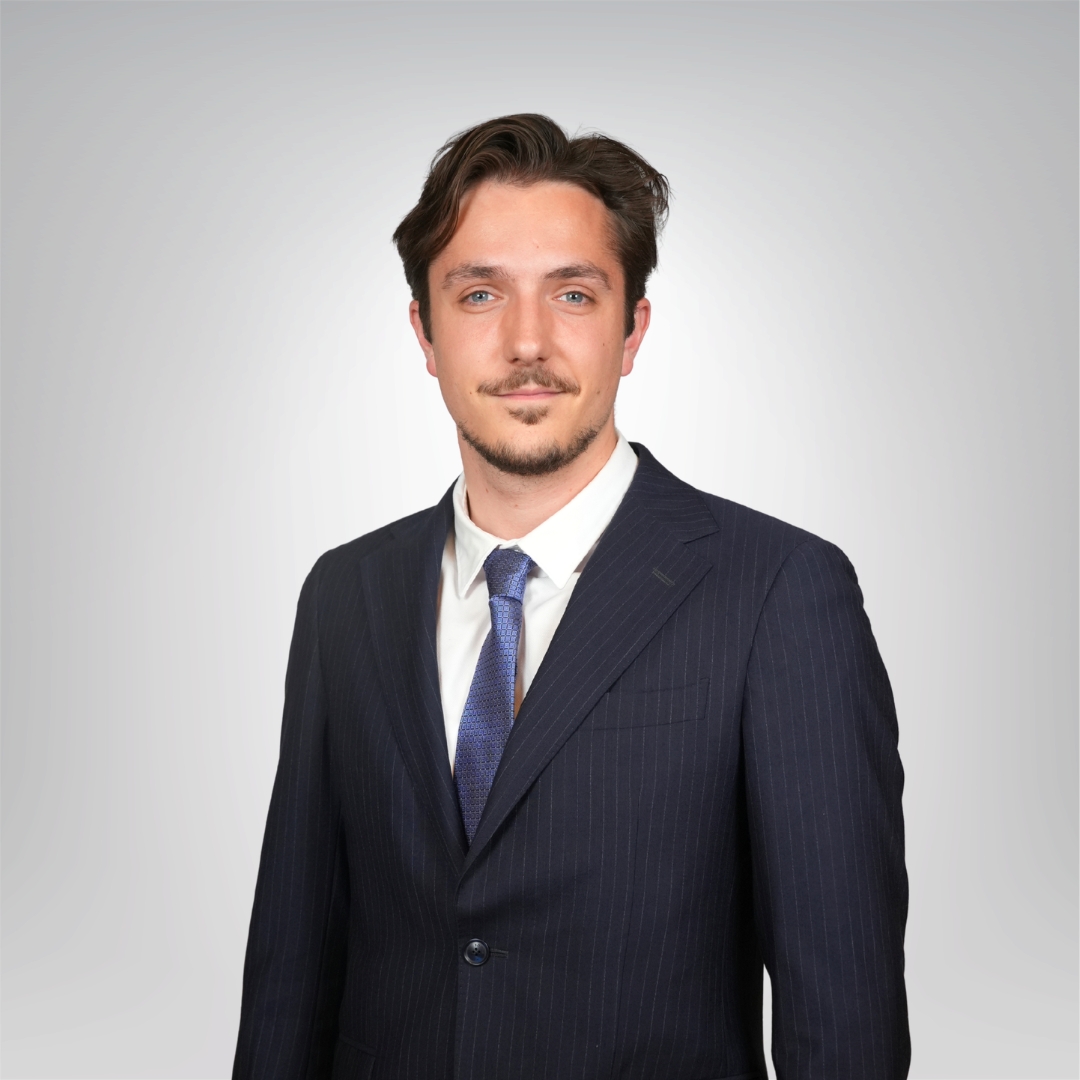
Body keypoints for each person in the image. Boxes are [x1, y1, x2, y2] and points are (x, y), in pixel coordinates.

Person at [233, 114, 909, 1080]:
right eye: (479, 294)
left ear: (632, 330)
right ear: (425, 333)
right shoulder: (346, 594)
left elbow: (843, 1023)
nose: (527, 342)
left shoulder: (778, 592)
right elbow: (291, 975)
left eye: (574, 294)